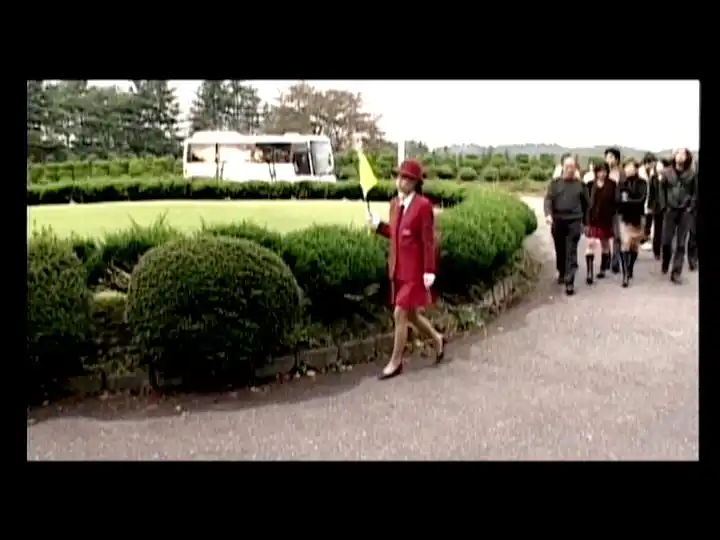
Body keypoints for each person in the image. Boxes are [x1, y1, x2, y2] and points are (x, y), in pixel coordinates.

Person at [366, 159, 445, 380]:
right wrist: (378, 226)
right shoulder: (394, 204)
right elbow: (396, 233)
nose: (401, 181)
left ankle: (396, 362)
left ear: (415, 183)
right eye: (399, 176)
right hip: (397, 269)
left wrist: (429, 270)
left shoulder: (423, 206)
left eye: (407, 178)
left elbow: (427, 240)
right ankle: (437, 339)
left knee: (400, 312)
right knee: (411, 315)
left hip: (415, 272)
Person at [544, 154, 589, 296]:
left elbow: (587, 204)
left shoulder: (580, 185)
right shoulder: (554, 184)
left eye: (573, 167)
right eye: (567, 166)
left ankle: (570, 281)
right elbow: (548, 200)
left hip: (574, 221)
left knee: (571, 251)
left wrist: (586, 222)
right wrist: (548, 214)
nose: (570, 169)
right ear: (562, 167)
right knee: (560, 249)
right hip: (558, 221)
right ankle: (562, 271)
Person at [660, 148, 698, 283]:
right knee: (666, 241)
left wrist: (690, 207)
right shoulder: (667, 172)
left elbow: (695, 193)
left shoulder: (692, 174)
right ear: (674, 156)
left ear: (687, 157)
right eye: (678, 153)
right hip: (670, 209)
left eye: (683, 154)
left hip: (685, 211)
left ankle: (676, 272)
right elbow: (662, 190)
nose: (680, 156)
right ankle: (665, 260)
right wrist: (664, 206)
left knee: (681, 243)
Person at [616, 159, 648, 287]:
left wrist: (627, 200)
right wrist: (626, 201)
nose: (628, 169)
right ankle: (625, 275)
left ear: (636, 168)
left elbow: (642, 199)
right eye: (626, 167)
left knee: (634, 245)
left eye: (630, 167)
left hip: (638, 217)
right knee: (625, 243)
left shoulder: (642, 183)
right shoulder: (621, 183)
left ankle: (630, 267)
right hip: (624, 217)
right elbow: (618, 200)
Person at [584, 162, 617, 283]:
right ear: (596, 172)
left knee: (605, 244)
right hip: (592, 219)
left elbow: (615, 202)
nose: (602, 174)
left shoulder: (612, 185)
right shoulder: (590, 185)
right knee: (590, 243)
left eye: (604, 171)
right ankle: (589, 273)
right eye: (600, 171)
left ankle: (603, 268)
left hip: (606, 219)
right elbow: (586, 202)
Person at [604, 147, 625, 274]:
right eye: (607, 157)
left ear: (617, 159)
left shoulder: (622, 174)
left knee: (617, 235)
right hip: (605, 208)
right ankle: (606, 258)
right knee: (604, 235)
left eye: (611, 157)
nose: (608, 160)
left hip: (618, 208)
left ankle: (615, 261)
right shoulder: (603, 172)